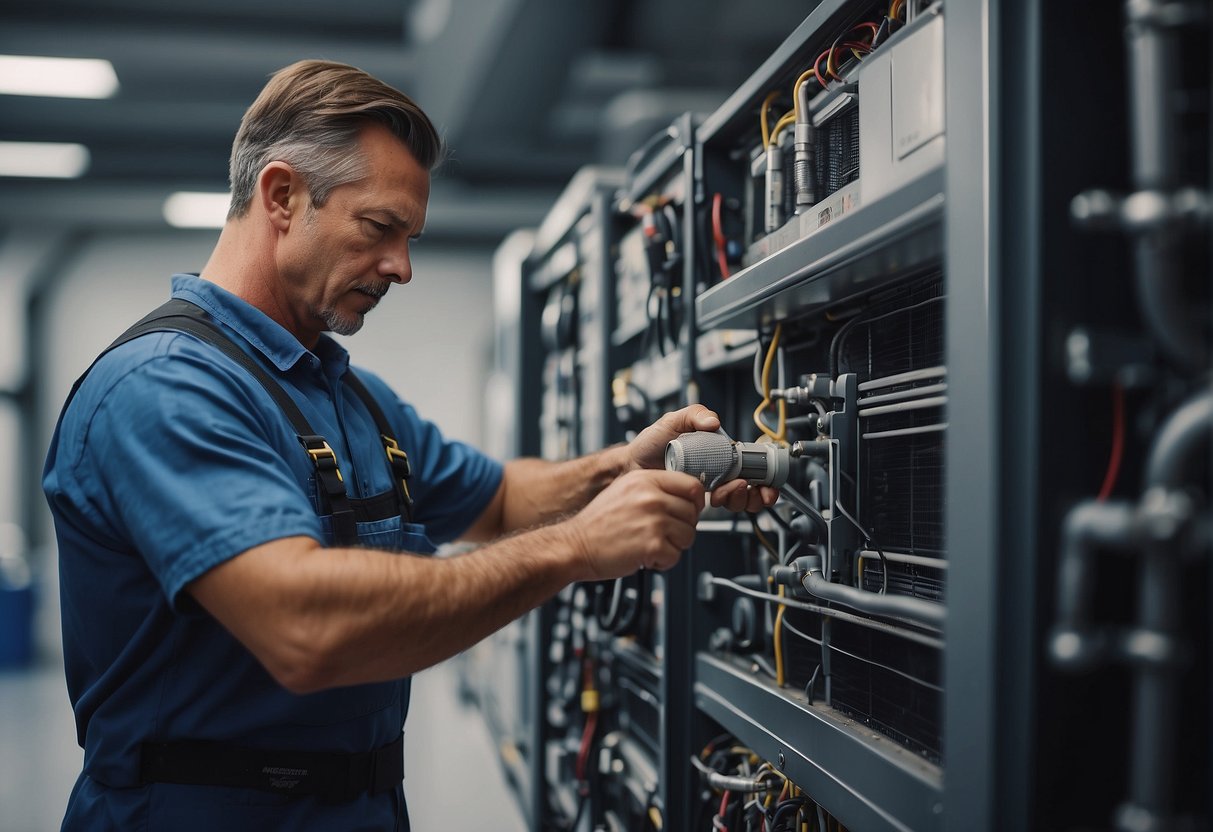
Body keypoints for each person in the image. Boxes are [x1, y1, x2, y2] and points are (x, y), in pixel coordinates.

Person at [42, 59, 777, 830]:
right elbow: (305, 628)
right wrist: (577, 548)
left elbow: (496, 500)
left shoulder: (344, 394)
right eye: (379, 228)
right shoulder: (165, 389)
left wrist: (626, 467)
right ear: (282, 196)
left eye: (410, 237)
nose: (402, 266)